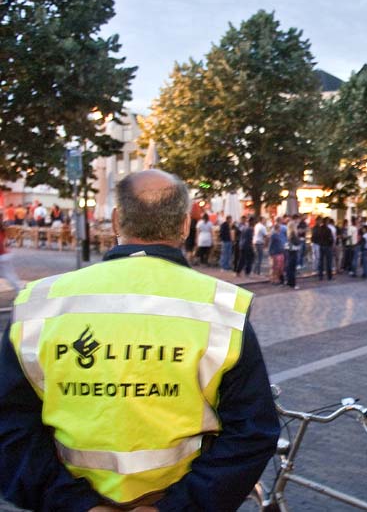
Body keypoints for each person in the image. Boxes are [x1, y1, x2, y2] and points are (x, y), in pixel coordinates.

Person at [0, 170, 280, 511]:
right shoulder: (220, 308)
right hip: (172, 497)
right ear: (184, 226)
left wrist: (74, 503)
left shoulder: (39, 304)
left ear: (116, 220)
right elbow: (252, 431)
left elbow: (11, 426)